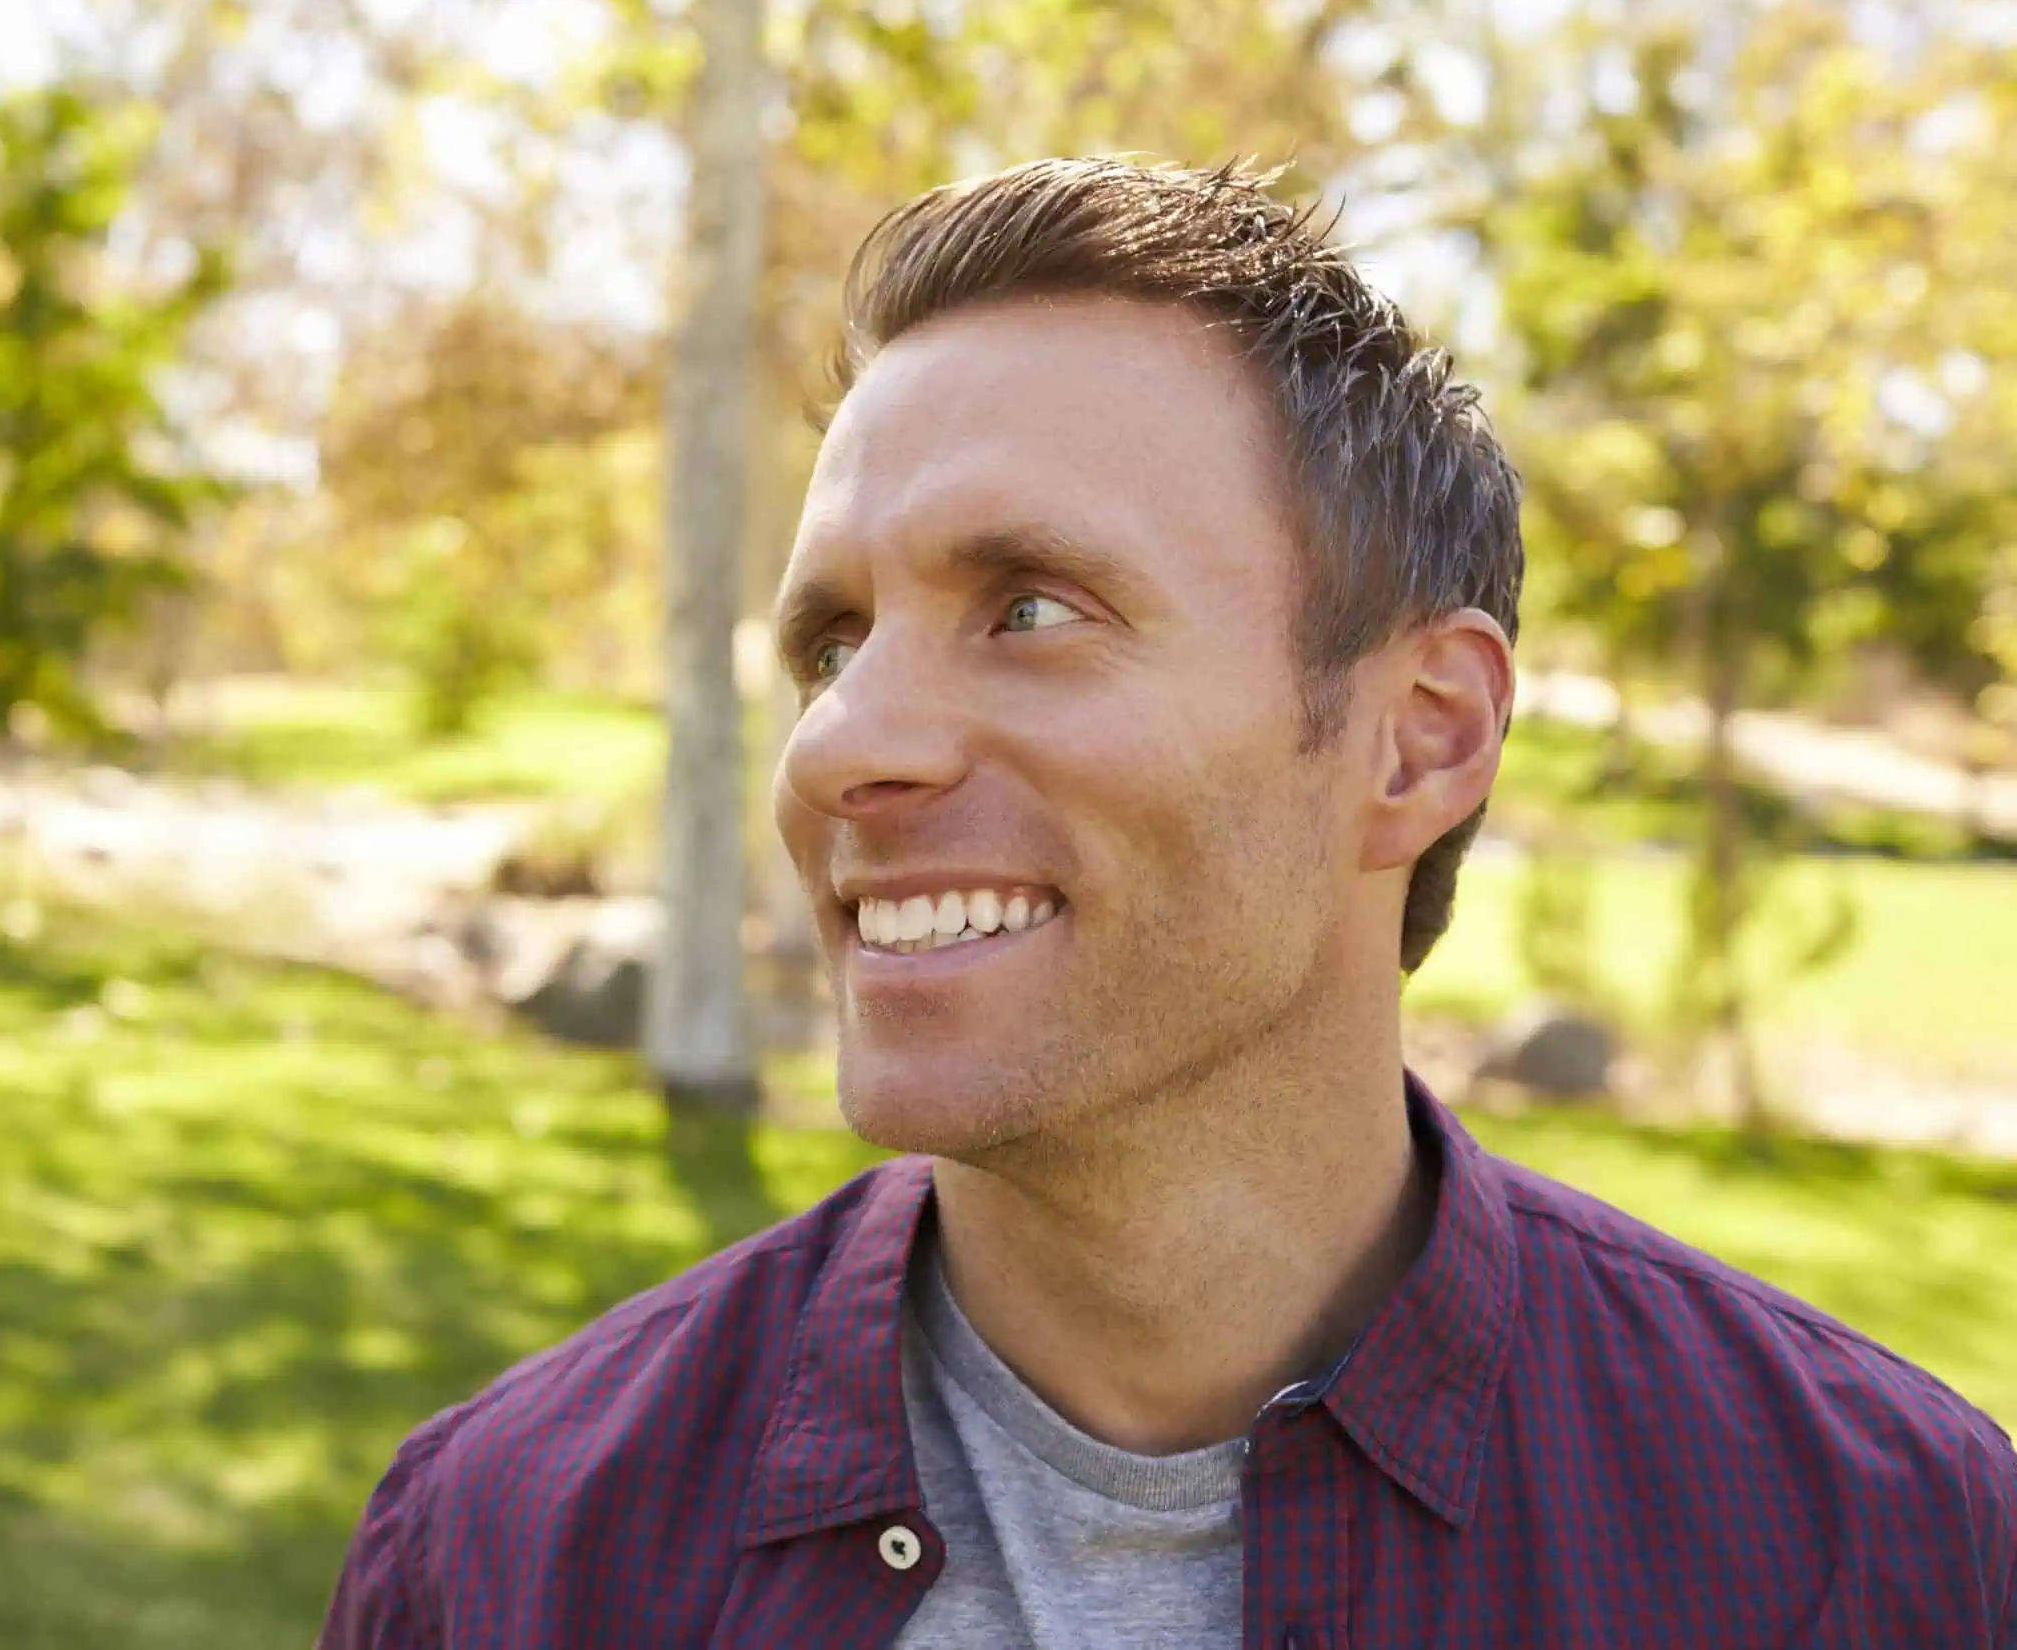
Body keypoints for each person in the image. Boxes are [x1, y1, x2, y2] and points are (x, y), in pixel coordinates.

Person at [319, 157, 2017, 1649]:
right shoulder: (507, 1548)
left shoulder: (1883, 1551)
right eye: (832, 643)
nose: (843, 744)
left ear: (1419, 740)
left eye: (1035, 607)